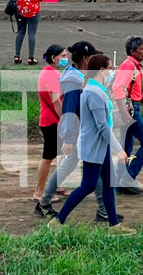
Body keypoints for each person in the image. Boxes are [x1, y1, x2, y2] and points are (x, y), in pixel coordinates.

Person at [36, 42, 123, 224]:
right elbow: (68, 108)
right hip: (81, 132)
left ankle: (104, 211)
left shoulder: (80, 77)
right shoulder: (73, 79)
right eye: (92, 57)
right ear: (85, 59)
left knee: (95, 174)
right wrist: (69, 136)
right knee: (84, 174)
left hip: (85, 131)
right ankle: (45, 202)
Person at [50, 54, 132, 231]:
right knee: (87, 186)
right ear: (101, 70)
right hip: (94, 147)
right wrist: (119, 150)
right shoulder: (94, 93)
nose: (113, 71)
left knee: (107, 185)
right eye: (110, 68)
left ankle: (114, 225)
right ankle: (57, 221)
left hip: (100, 146)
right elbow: (102, 126)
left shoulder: (95, 89)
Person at [113, 36, 143, 195]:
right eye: (142, 48)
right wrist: (125, 114)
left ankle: (119, 182)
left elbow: (135, 91)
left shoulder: (135, 66)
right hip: (130, 110)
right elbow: (118, 89)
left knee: (126, 146)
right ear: (133, 51)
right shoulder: (128, 66)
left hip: (131, 108)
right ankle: (128, 178)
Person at [33, 44, 68, 202]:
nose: (65, 59)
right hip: (52, 120)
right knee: (48, 157)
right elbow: (56, 101)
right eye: (62, 56)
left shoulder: (47, 72)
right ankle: (39, 193)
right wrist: (65, 119)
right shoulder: (52, 75)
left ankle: (56, 185)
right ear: (54, 58)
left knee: (59, 154)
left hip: (49, 119)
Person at [13, 0, 47, 64]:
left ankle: (17, 56)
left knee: (21, 32)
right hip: (34, 10)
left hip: (21, 9)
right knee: (32, 34)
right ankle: (31, 57)